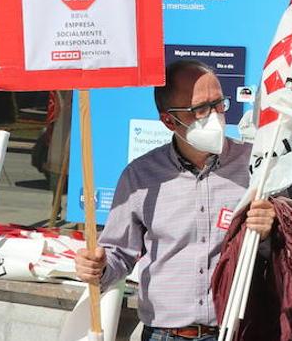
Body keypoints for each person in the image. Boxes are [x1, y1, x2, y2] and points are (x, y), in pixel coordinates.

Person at [74, 60, 276, 341]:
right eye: (201, 109)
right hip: (165, 334)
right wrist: (97, 266)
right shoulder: (141, 176)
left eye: (219, 103)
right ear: (169, 120)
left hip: (237, 331)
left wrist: (270, 230)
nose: (215, 116)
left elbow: (287, 251)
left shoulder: (257, 167)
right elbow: (118, 255)